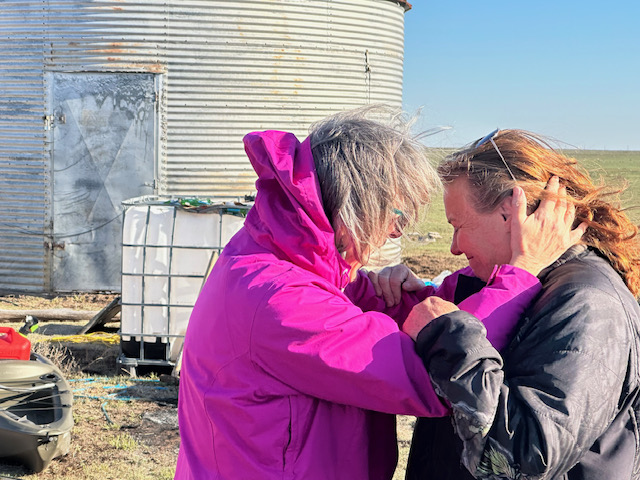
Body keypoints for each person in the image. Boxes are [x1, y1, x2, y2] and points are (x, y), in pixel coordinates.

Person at [175, 112, 581, 480]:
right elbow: (432, 373)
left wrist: (420, 297)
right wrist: (521, 274)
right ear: (355, 205)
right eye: (393, 214)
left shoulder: (284, 254)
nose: (394, 232)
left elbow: (356, 310)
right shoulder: (278, 300)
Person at [383, 129, 640, 480]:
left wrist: (445, 335)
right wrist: (414, 297)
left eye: (458, 226)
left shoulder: (588, 305)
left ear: (509, 212)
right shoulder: (524, 283)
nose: (454, 247)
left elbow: (521, 460)